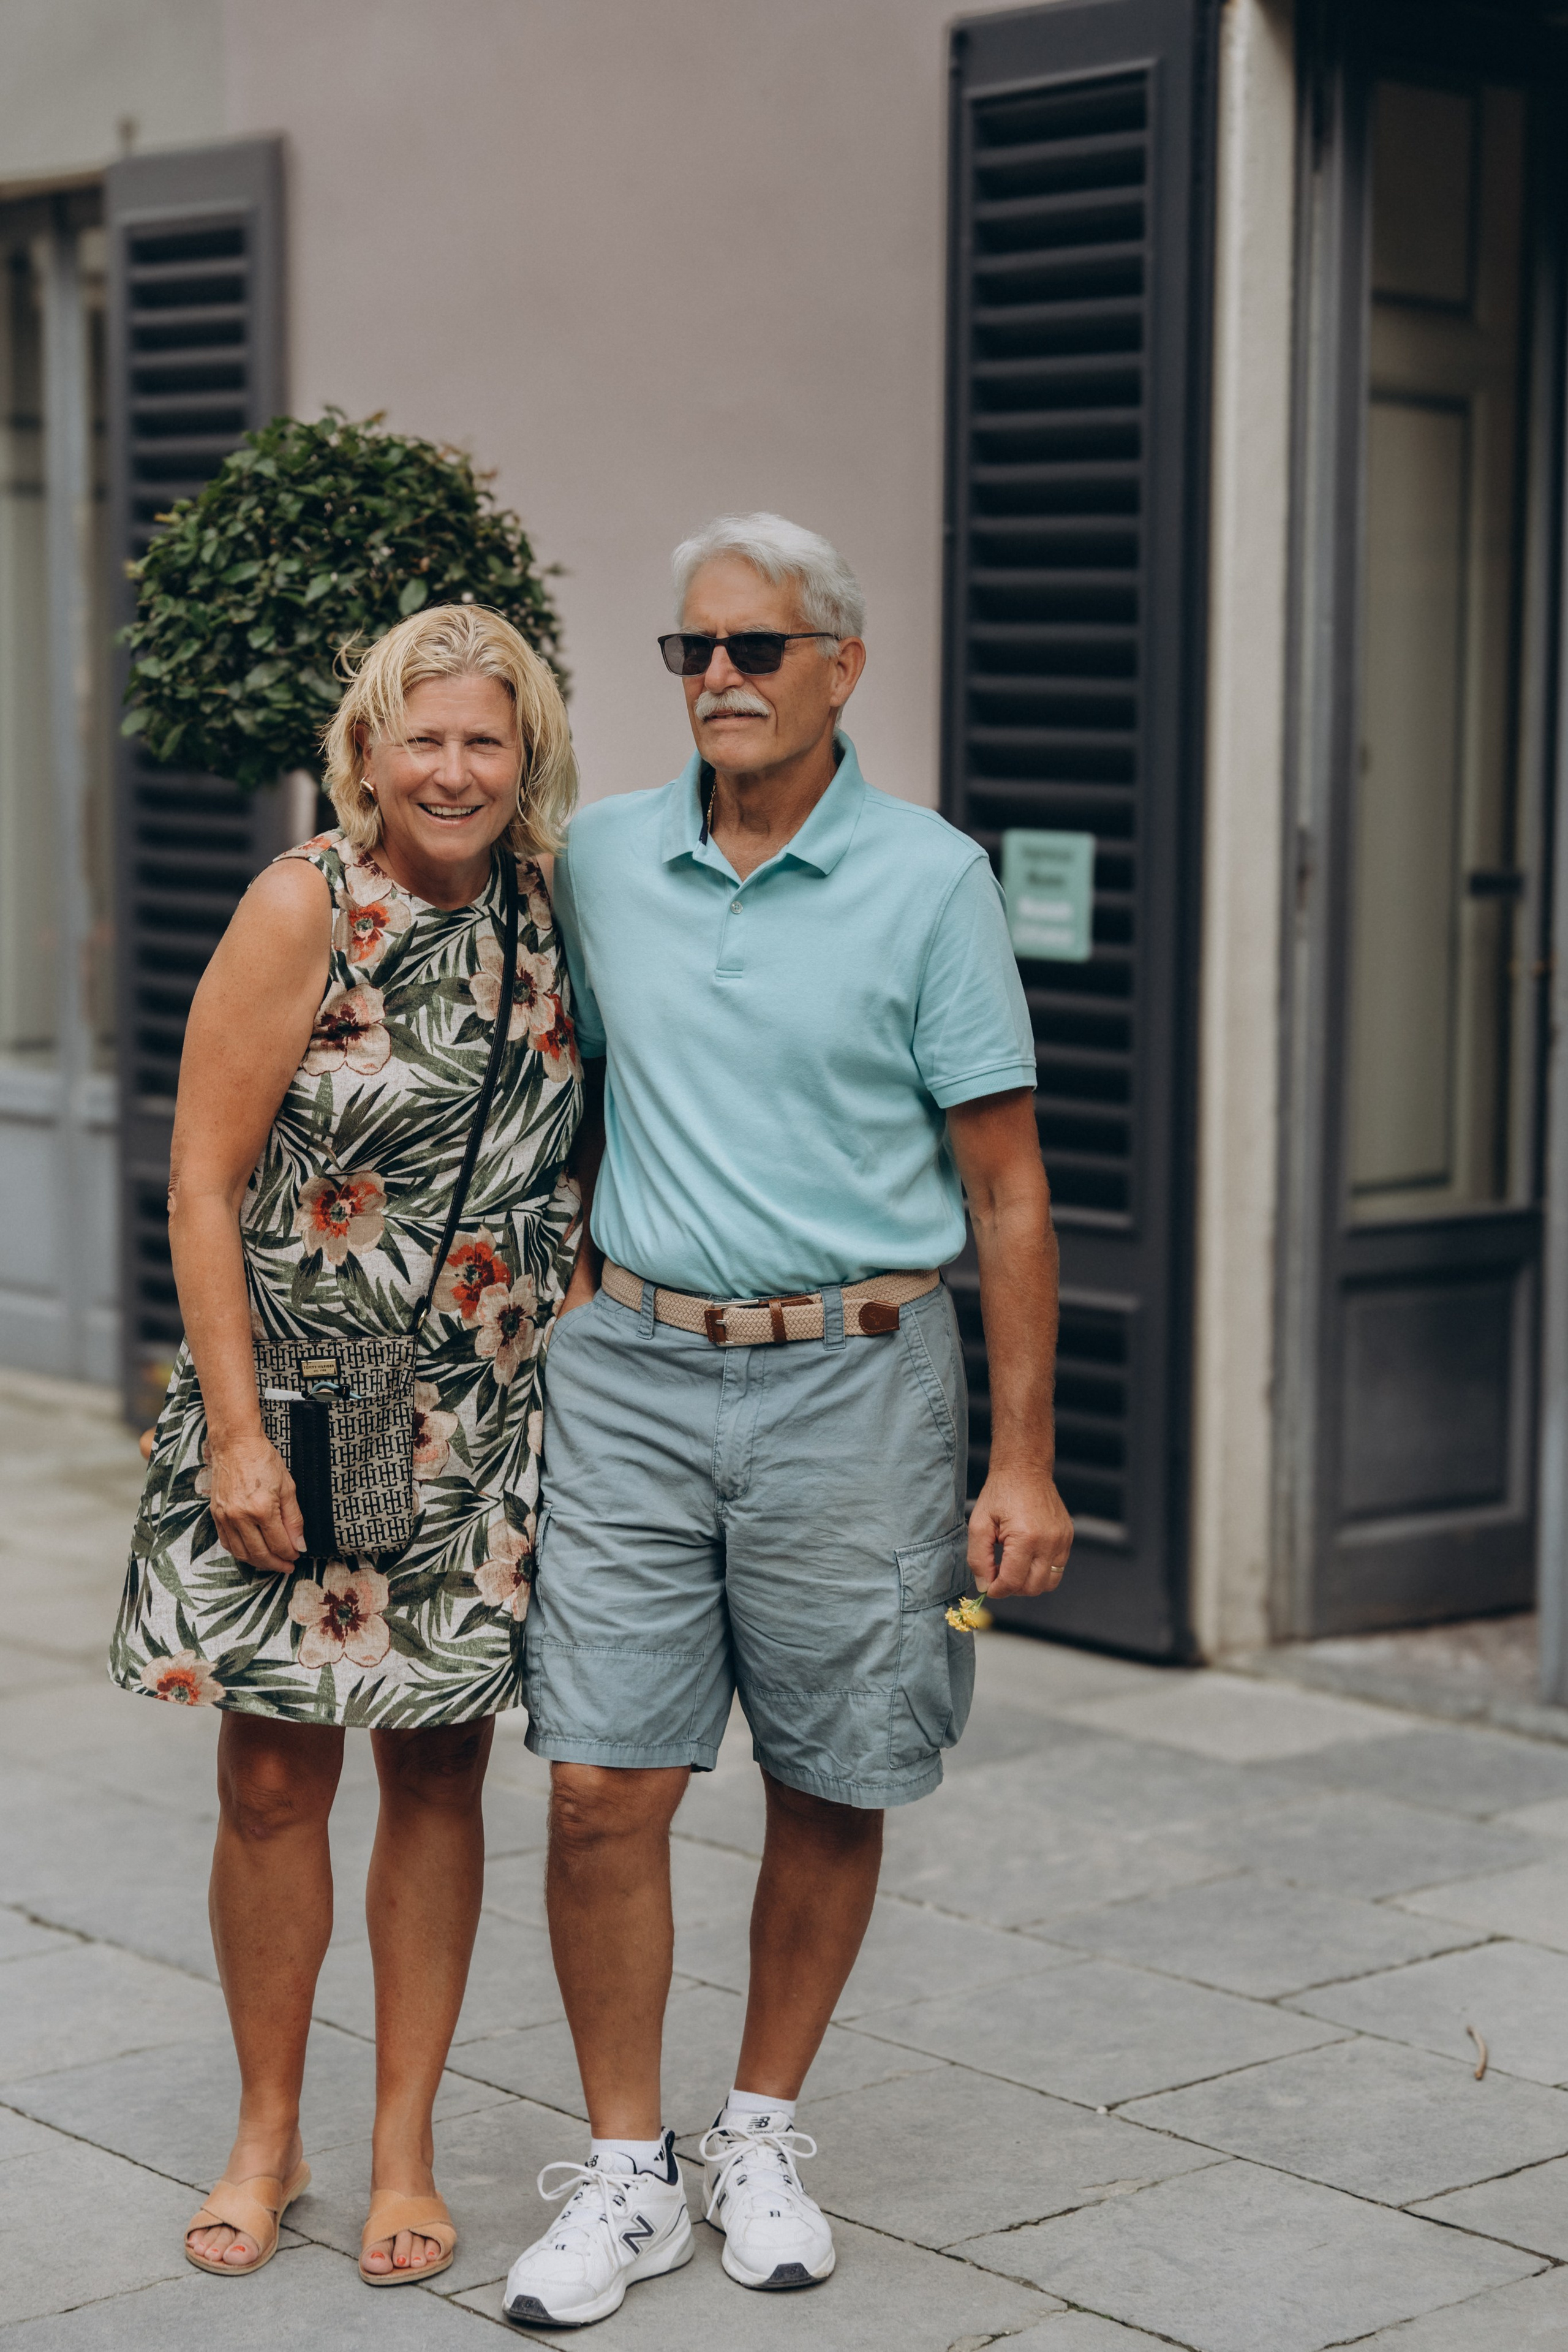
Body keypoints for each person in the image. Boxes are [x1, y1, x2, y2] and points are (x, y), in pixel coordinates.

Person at [502, 513, 1073, 2328]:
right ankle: (622, 2174)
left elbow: (1011, 1193)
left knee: (837, 1767)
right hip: (636, 1377)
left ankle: (757, 2132)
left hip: (861, 1373)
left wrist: (1026, 1455)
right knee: (603, 1782)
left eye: (757, 648)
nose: (723, 681)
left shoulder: (932, 880)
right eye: (693, 653)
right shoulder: (599, 861)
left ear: (841, 666)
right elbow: (558, 1084)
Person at [110, 605, 582, 2285]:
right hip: (308, 1402)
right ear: (367, 750)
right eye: (424, 738)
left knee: (440, 1769)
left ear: (526, 757)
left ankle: (401, 2143)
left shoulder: (558, 909)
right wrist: (234, 1434)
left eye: (486, 740)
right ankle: (266, 2129)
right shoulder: (305, 903)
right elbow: (202, 1182)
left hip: (480, 1420)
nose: (453, 770)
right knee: (267, 1776)